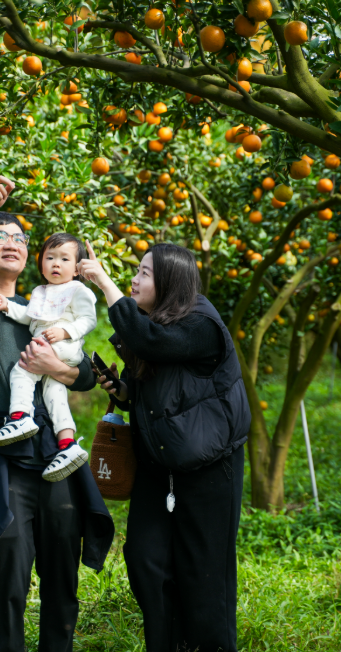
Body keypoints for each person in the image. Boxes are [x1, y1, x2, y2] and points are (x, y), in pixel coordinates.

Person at [0, 160, 114, 652]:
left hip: (56, 450)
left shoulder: (48, 308)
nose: (11, 240)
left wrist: (58, 370)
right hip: (2, 449)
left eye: (18, 237)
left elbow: (82, 375)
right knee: (10, 557)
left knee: (62, 566)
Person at [77, 241, 250, 652]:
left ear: (171, 280)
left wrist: (104, 281)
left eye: (143, 273)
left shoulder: (202, 324)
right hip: (159, 467)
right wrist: (122, 392)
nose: (134, 280)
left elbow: (155, 343)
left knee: (204, 574)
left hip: (209, 468)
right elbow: (157, 392)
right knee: (145, 562)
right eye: (134, 272)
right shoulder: (156, 322)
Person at [0, 233, 98, 482]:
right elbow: (29, 315)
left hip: (63, 345)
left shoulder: (76, 290)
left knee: (22, 370)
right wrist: (7, 306)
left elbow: (89, 319)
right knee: (54, 394)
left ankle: (19, 417)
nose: (56, 264)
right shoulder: (41, 291)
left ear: (77, 268)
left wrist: (64, 331)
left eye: (64, 259)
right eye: (50, 258)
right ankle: (68, 444)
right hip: (53, 350)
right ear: (41, 264)